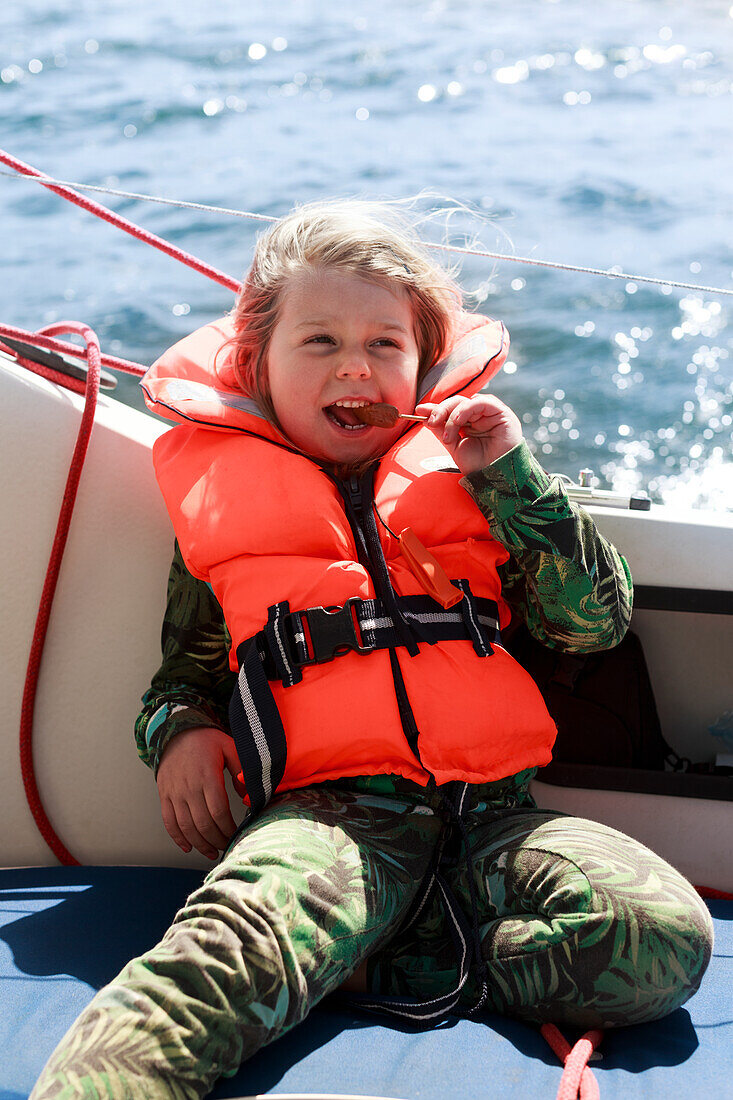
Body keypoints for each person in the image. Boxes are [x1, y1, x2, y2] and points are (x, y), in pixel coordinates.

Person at [32, 201, 713, 1099]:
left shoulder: (474, 481)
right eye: (318, 342)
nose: (355, 365)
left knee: (665, 942)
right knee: (197, 983)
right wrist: (182, 734)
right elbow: (181, 677)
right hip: (331, 827)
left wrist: (512, 476)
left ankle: (377, 968)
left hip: (495, 826)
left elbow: (589, 623)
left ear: (421, 365)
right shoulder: (224, 514)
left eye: (384, 345)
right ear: (256, 363)